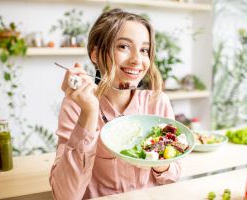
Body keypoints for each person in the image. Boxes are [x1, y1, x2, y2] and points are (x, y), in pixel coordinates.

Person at [49, 8, 181, 199]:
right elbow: (64, 195)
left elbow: (171, 177)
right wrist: (89, 112)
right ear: (95, 54)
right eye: (123, 47)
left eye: (144, 50)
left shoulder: (157, 102)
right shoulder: (76, 106)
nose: (137, 60)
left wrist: (160, 159)